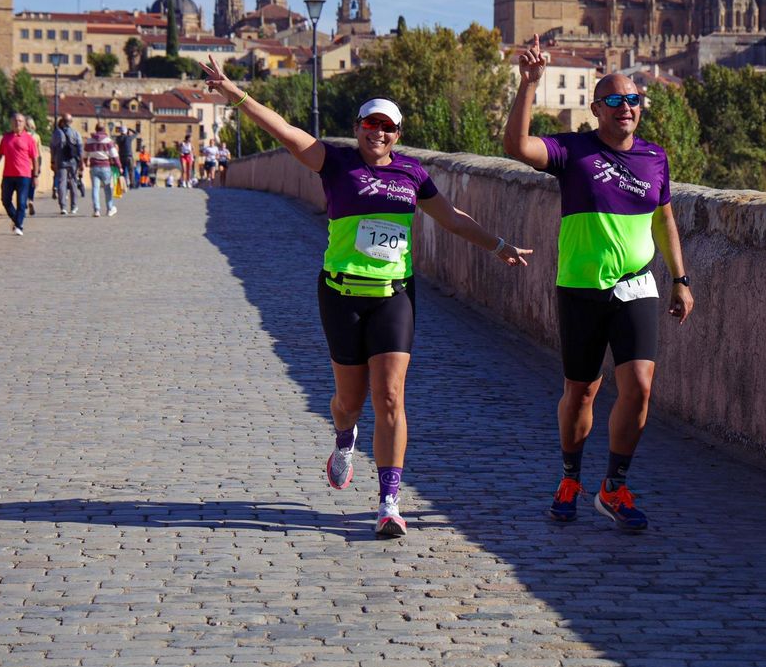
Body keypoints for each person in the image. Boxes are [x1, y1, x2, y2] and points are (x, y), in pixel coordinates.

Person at [203, 55, 532, 539]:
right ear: (357, 128)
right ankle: (343, 437)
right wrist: (235, 94)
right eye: (370, 124)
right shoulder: (333, 161)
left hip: (393, 295)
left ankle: (389, 502)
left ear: (398, 134)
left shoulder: (413, 175)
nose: (378, 133)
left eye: (388, 127)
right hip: (341, 295)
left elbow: (453, 218)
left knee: (391, 398)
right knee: (348, 401)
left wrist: (498, 246)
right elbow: (284, 131)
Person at [502, 39, 694, 533]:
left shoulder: (656, 158)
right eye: (614, 100)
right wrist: (529, 84)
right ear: (596, 110)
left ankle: (614, 486)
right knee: (582, 391)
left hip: (637, 287)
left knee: (640, 387)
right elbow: (516, 147)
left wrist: (681, 279)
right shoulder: (573, 150)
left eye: (633, 100)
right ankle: (570, 478)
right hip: (582, 288)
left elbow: (665, 220)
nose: (626, 107)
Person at [0, 111, 40, 235]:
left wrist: (35, 176)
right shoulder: (6, 137)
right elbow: (0, 153)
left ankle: (19, 226)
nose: (17, 123)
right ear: (11, 122)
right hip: (8, 174)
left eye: (20, 121)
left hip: (24, 175)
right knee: (5, 200)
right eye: (15, 121)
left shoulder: (29, 139)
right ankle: (16, 219)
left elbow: (35, 158)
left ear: (24, 124)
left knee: (22, 203)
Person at [85, 122, 120, 217]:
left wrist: (84, 163)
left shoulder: (89, 141)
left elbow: (85, 154)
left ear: (96, 129)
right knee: (107, 189)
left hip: (94, 166)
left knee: (95, 189)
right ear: (104, 130)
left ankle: (96, 210)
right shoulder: (108, 141)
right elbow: (114, 155)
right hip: (105, 166)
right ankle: (109, 209)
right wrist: (119, 166)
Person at [51, 115, 84, 215]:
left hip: (61, 161)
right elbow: (80, 149)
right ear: (71, 122)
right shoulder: (75, 133)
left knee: (62, 183)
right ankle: (73, 207)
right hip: (73, 161)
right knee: (73, 182)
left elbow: (53, 148)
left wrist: (52, 161)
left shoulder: (57, 133)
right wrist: (81, 162)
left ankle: (63, 207)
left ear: (62, 121)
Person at [24, 116, 42, 216]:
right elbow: (39, 152)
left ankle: (25, 199)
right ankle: (31, 200)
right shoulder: (36, 136)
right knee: (33, 184)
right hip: (34, 163)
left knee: (24, 184)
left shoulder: (22, 136)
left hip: (24, 163)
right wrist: (40, 165)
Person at [116, 126, 136, 190]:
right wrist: (130, 129)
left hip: (121, 156)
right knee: (131, 171)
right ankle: (132, 184)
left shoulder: (118, 138)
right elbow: (136, 133)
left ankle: (123, 185)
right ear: (126, 131)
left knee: (123, 171)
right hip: (129, 156)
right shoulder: (128, 138)